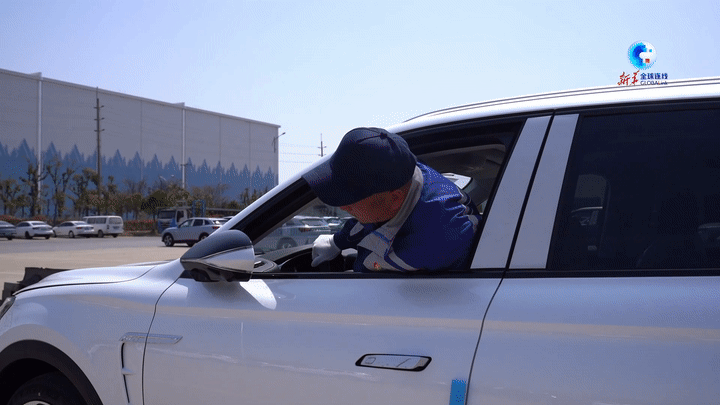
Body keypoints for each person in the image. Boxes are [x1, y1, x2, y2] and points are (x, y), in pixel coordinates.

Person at [302, 127, 480, 272]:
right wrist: (337, 241)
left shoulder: (434, 240)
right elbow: (374, 217)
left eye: (351, 197)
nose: (343, 206)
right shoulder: (403, 173)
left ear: (395, 198)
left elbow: (370, 268)